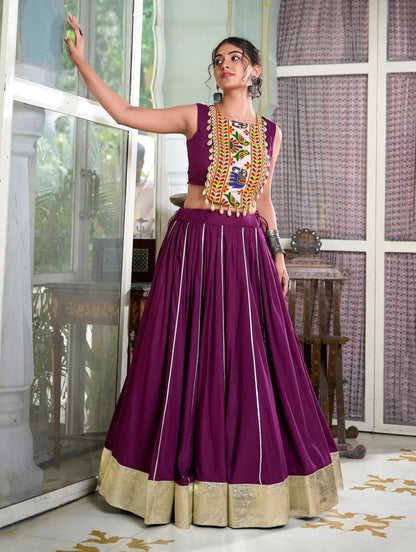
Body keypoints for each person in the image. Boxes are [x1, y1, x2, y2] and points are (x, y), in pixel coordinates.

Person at [65, 14, 342, 529]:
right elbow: (126, 113)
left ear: (254, 70)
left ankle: (245, 476)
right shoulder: (196, 117)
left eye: (235, 58)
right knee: (185, 355)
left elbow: (263, 199)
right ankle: (172, 474)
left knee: (247, 357)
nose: (224, 65)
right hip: (195, 246)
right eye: (218, 60)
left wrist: (278, 253)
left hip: (247, 251)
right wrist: (82, 60)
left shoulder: (270, 133)